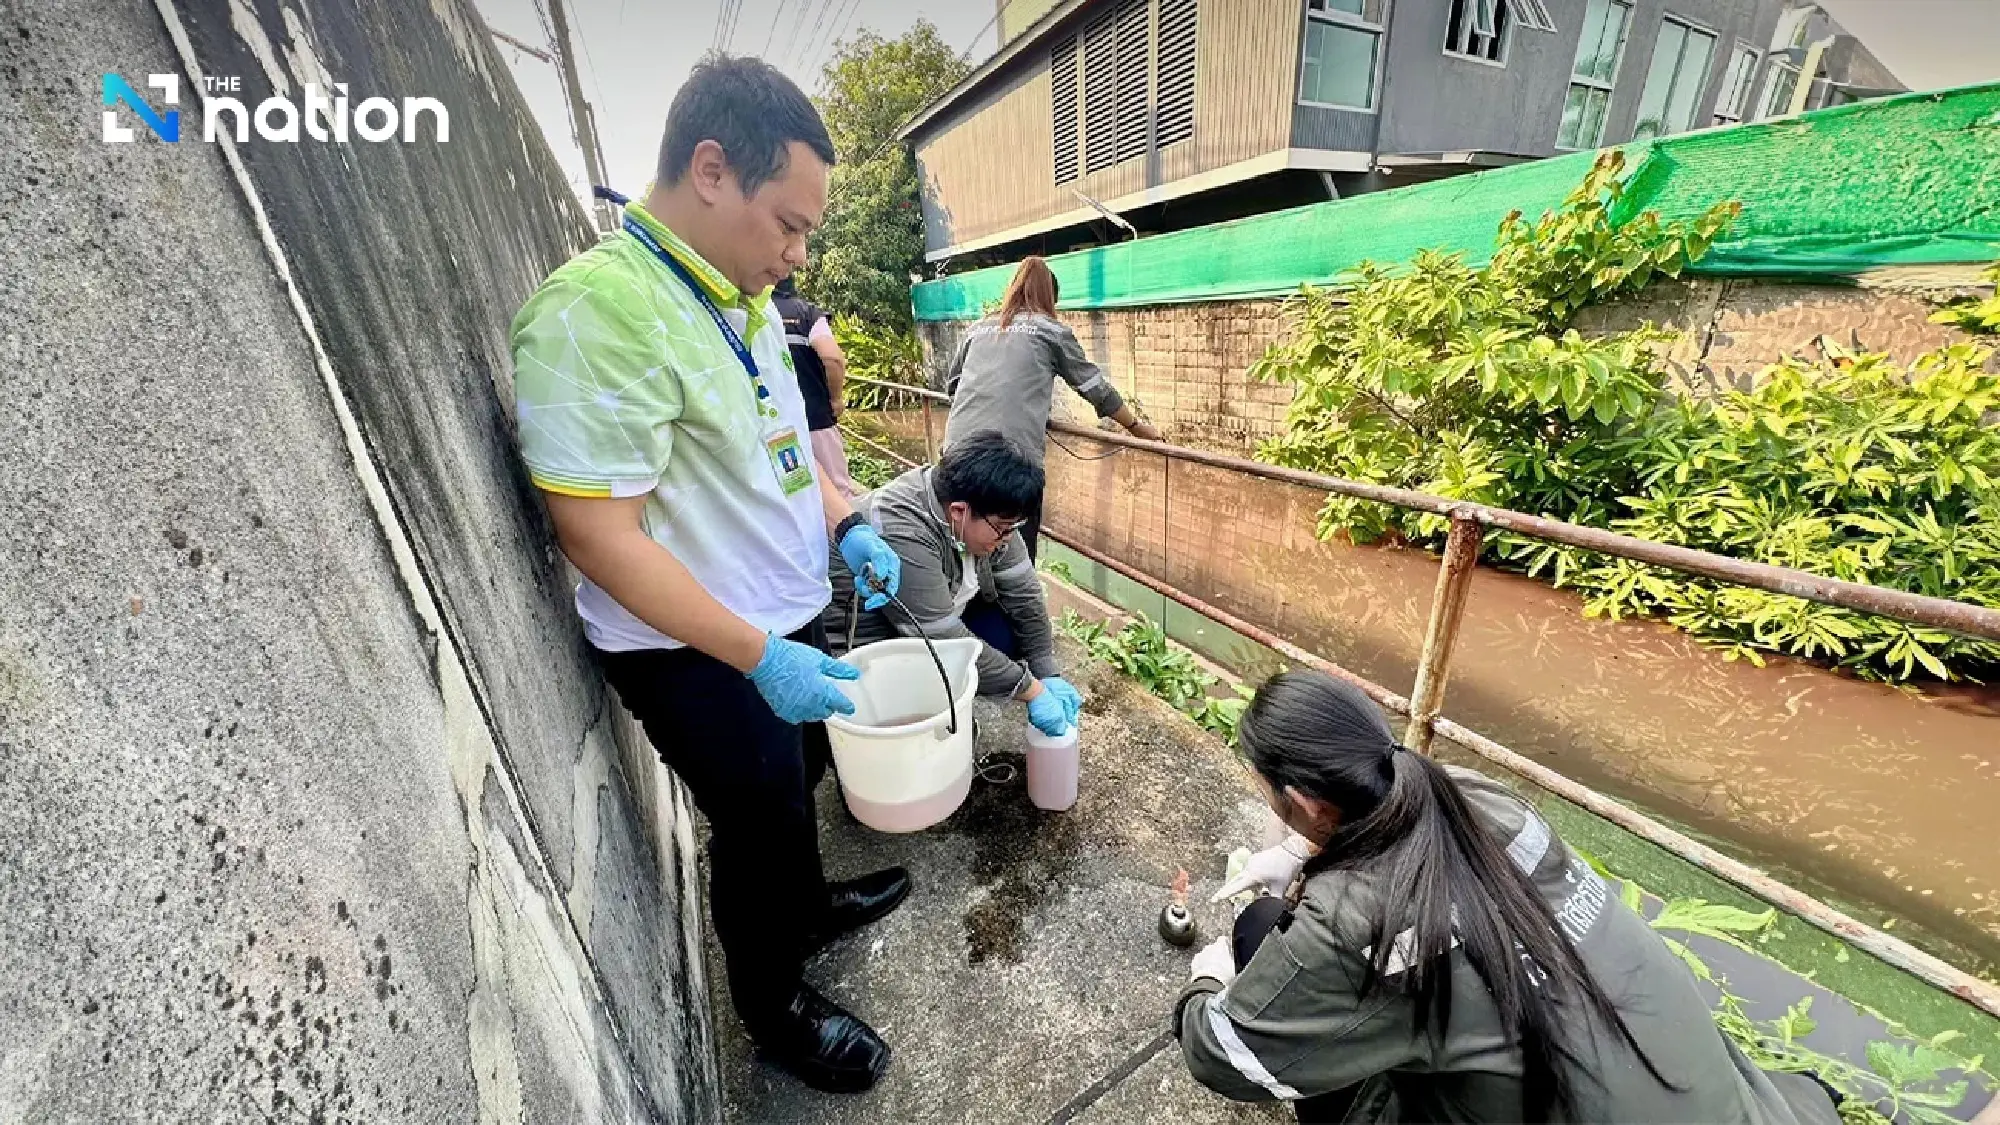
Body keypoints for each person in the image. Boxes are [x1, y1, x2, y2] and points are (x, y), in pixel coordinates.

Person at [510, 56, 912, 1095]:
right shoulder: (597, 311)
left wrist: (845, 521)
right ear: (710, 170)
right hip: (693, 650)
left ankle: (809, 904)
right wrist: (754, 655)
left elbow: (778, 463)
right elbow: (598, 536)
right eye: (789, 221)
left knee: (807, 778)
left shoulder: (736, 298)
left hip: (779, 613)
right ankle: (774, 1010)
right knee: (758, 824)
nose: (798, 249)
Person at [1176, 670, 1844, 1125]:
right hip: (1711, 1096)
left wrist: (1208, 980)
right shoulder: (1471, 796)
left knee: (1262, 930)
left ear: (1301, 801)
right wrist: (1298, 853)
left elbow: (1222, 1054)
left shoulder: (1351, 923)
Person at [824, 431, 1083, 736]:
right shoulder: (901, 528)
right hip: (869, 638)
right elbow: (943, 638)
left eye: (1014, 528)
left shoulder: (987, 510)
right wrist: (1031, 690)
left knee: (1006, 636)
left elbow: (1025, 595)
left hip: (923, 621)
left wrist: (1046, 670)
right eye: (1002, 530)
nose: (1006, 540)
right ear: (959, 512)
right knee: (931, 729)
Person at [941, 255, 1164, 558]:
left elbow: (953, 386)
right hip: (1012, 464)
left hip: (955, 454)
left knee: (959, 545)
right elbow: (1095, 388)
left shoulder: (977, 329)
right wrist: (1137, 428)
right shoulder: (1051, 331)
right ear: (1050, 297)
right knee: (1015, 555)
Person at [774, 276, 858, 497]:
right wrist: (836, 400)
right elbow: (833, 359)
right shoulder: (807, 314)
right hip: (816, 422)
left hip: (776, 430)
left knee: (796, 494)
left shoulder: (747, 312)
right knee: (838, 492)